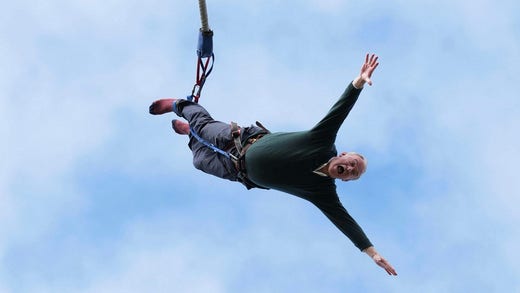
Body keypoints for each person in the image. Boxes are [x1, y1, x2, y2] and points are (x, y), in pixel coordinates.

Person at [149, 54, 397, 275]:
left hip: (237, 171)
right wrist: (359, 82)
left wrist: (372, 253)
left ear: (344, 180)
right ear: (342, 155)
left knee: (198, 160)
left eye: (352, 173)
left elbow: (346, 222)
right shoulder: (321, 142)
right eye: (352, 163)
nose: (351, 168)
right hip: (240, 139)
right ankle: (178, 106)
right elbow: (340, 110)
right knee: (203, 124)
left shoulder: (322, 192)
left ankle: (189, 133)